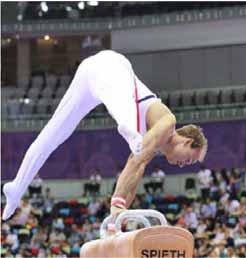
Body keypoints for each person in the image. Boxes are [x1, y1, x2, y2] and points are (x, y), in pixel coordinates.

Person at [3, 50, 208, 220]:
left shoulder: (151, 150)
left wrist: (119, 212)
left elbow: (135, 174)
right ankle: (128, 130)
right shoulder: (168, 123)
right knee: (129, 122)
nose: (184, 164)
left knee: (55, 133)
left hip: (88, 77)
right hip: (112, 67)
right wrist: (117, 203)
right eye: (189, 158)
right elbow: (135, 162)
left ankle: (16, 189)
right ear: (187, 141)